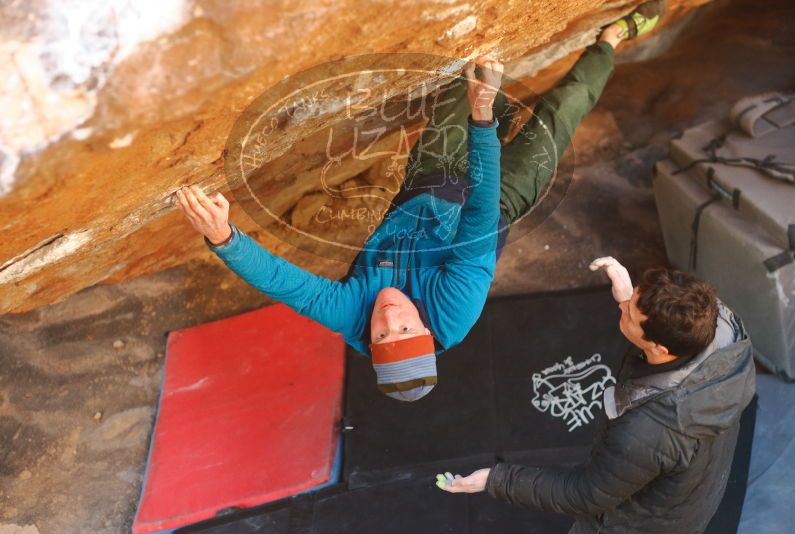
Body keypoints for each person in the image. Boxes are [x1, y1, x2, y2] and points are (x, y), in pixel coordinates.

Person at [175, 1, 657, 401]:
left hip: (428, 184)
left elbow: (289, 287)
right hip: (498, 201)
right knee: (559, 112)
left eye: (382, 336)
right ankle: (612, 38)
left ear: (369, 342)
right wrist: (482, 121)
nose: (388, 319)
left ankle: (495, 96)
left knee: (468, 77)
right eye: (404, 330)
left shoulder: (352, 315)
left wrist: (223, 237)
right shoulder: (455, 310)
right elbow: (479, 211)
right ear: (427, 333)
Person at [436, 257, 756, 534]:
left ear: (659, 349)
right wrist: (633, 298)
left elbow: (584, 495)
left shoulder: (647, 431)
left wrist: (495, 480)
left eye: (629, 314)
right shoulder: (724, 330)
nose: (621, 306)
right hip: (692, 493)